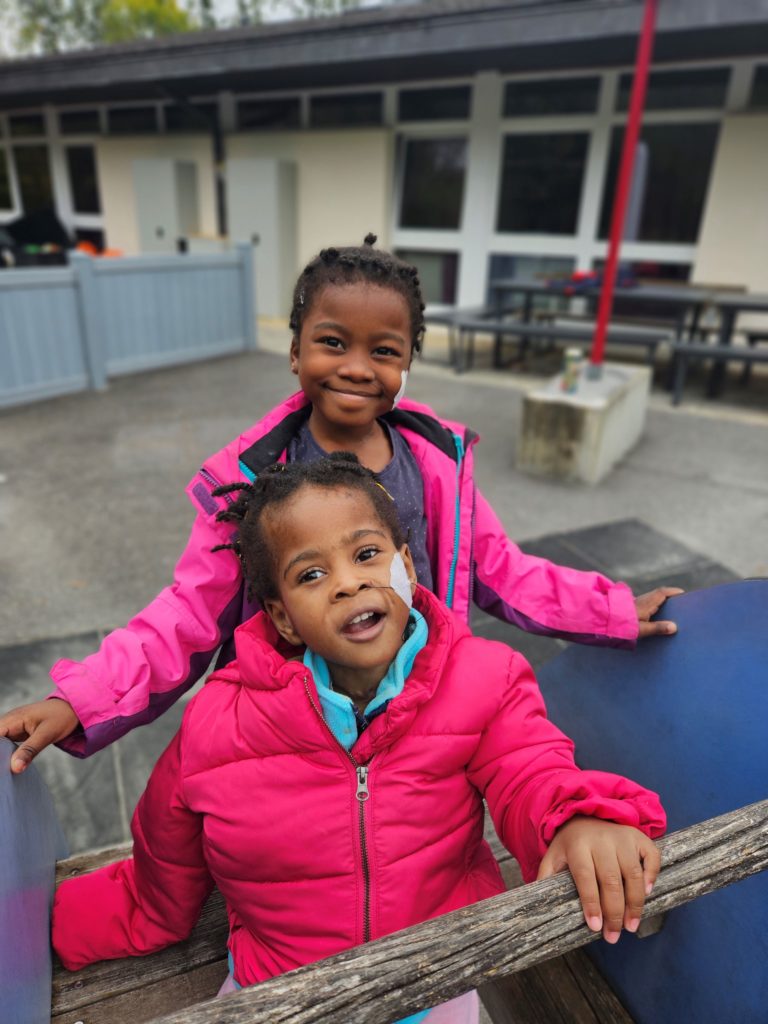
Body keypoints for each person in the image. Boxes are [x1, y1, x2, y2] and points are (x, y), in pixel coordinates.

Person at [1, 235, 681, 773]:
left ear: (408, 361)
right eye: (332, 342)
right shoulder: (252, 480)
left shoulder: (435, 463)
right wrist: (80, 698)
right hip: (294, 732)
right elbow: (186, 612)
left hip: (421, 711)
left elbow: (497, 568)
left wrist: (612, 608)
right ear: (294, 351)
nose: (357, 366)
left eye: (384, 351)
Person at [52, 455, 666, 1023]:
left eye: (367, 554)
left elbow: (531, 767)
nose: (347, 583)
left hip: (438, 976)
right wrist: (43, 924)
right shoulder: (219, 720)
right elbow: (163, 859)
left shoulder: (485, 678)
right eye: (312, 573)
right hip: (282, 990)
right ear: (282, 616)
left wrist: (576, 820)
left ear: (405, 563)